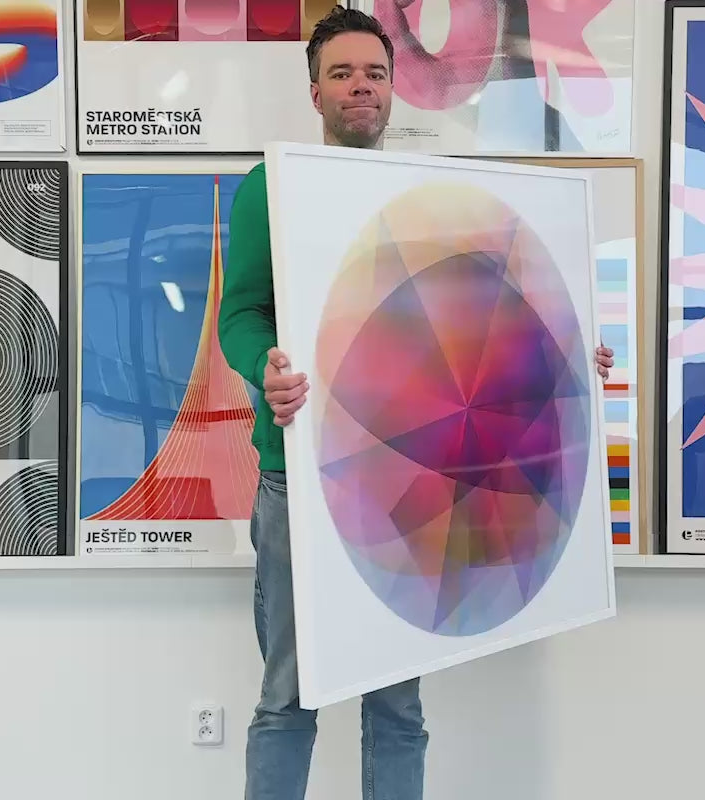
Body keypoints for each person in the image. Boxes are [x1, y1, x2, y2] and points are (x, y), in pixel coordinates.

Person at [218, 7, 615, 799]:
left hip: (412, 481)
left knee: (399, 705)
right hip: (299, 481)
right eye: (341, 74)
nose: (360, 87)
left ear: (394, 87)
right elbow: (241, 314)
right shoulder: (273, 187)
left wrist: (571, 360)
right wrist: (266, 365)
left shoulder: (427, 190)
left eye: (374, 73)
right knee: (287, 699)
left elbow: (480, 327)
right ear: (315, 93)